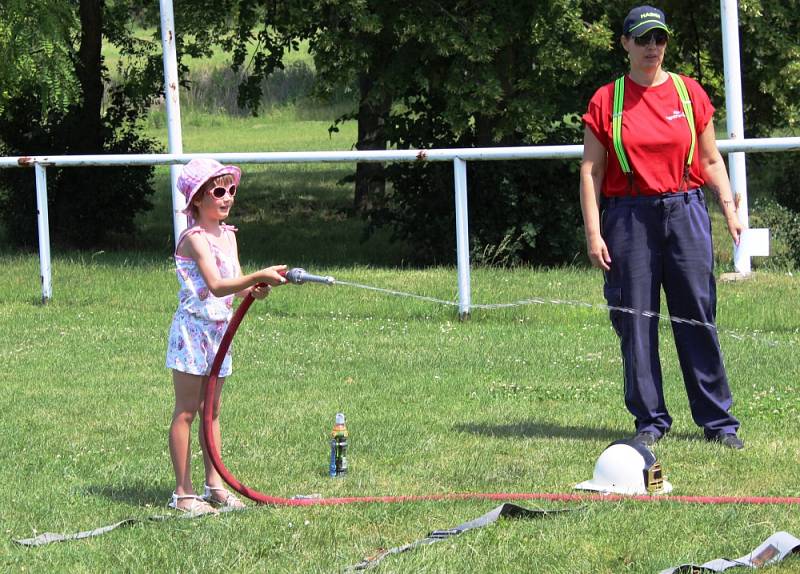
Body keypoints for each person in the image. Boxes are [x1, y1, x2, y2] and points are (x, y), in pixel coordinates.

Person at [579, 6, 744, 449]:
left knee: (697, 316)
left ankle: (718, 422)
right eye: (643, 39)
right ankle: (649, 420)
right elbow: (591, 172)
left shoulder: (689, 94)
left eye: (659, 38)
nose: (652, 47)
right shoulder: (606, 100)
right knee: (635, 321)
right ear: (625, 44)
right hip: (628, 217)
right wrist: (594, 232)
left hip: (685, 211)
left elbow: (710, 160)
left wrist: (728, 208)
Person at [165, 158, 287, 514]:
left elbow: (235, 284)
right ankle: (183, 494)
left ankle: (214, 486)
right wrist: (253, 278)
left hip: (220, 333)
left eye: (231, 190)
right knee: (187, 411)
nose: (227, 197)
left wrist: (254, 288)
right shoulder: (193, 239)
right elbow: (217, 286)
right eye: (218, 191)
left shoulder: (229, 236)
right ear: (198, 199)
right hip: (192, 332)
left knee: (211, 412)